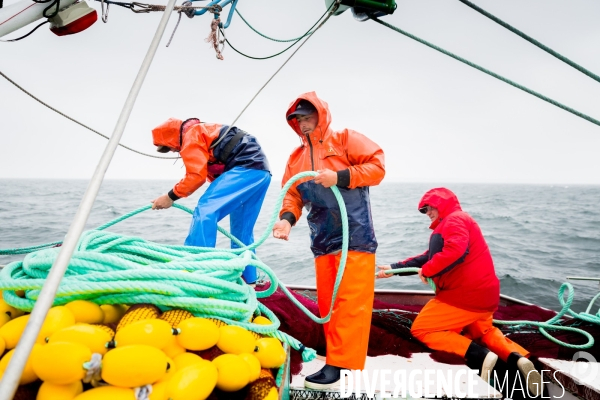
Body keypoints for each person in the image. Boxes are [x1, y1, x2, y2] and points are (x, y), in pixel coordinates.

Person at [377, 187, 542, 397]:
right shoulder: (455, 222)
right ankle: (517, 358)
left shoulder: (454, 220)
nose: (426, 212)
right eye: (423, 210)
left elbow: (455, 252)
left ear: (441, 203)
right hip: (486, 298)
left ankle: (479, 356)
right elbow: (430, 256)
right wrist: (394, 268)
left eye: (428, 208)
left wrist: (427, 271)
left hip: (463, 297)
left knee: (422, 329)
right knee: (483, 331)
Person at [272, 92, 385, 389]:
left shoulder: (346, 140)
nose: (303, 124)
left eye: (308, 117)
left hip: (355, 236)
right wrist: (286, 221)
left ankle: (341, 367)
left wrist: (340, 177)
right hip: (322, 238)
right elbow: (292, 195)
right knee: (329, 303)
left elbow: (378, 167)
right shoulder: (295, 159)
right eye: (298, 119)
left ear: (320, 116)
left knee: (351, 304)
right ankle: (336, 359)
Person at [151, 117, 271, 285]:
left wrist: (170, 197)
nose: (172, 152)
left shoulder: (191, 136)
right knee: (242, 232)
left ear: (171, 139)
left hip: (243, 168)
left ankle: (197, 272)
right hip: (261, 173)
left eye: (169, 148)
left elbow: (196, 177)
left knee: (205, 211)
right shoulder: (202, 132)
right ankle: (249, 281)